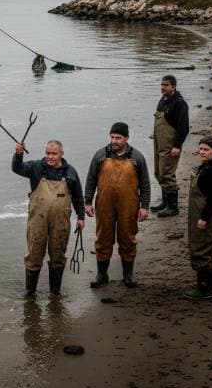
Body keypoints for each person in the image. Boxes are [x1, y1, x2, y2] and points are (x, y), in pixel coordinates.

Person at [12, 140, 85, 298]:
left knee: (58, 253)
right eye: (48, 153)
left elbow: (78, 196)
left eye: (54, 154)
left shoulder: (70, 172)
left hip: (61, 221)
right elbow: (17, 168)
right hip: (38, 219)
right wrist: (18, 154)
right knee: (34, 252)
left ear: (61, 154)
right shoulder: (36, 167)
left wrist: (81, 217)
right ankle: (30, 291)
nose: (50, 157)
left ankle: (55, 291)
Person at [84, 122, 150, 288]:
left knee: (127, 238)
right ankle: (101, 275)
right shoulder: (100, 155)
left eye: (118, 138)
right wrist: (87, 202)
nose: (114, 141)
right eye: (112, 137)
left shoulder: (137, 157)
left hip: (129, 205)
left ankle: (128, 275)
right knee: (103, 238)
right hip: (104, 204)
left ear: (126, 138)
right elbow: (91, 180)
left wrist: (145, 206)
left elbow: (145, 184)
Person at [184, 136, 212, 299]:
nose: (202, 152)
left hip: (209, 214)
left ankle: (203, 288)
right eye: (201, 149)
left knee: (201, 249)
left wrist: (204, 218)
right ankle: (211, 284)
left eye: (206, 150)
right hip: (207, 212)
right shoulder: (209, 166)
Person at [151, 75, 189, 217]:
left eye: (166, 85)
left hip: (170, 144)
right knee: (158, 173)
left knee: (167, 174)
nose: (163, 88)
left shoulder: (179, 103)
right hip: (158, 142)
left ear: (174, 86)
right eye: (161, 85)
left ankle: (173, 207)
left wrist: (177, 146)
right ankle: (165, 202)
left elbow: (183, 127)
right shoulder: (162, 100)